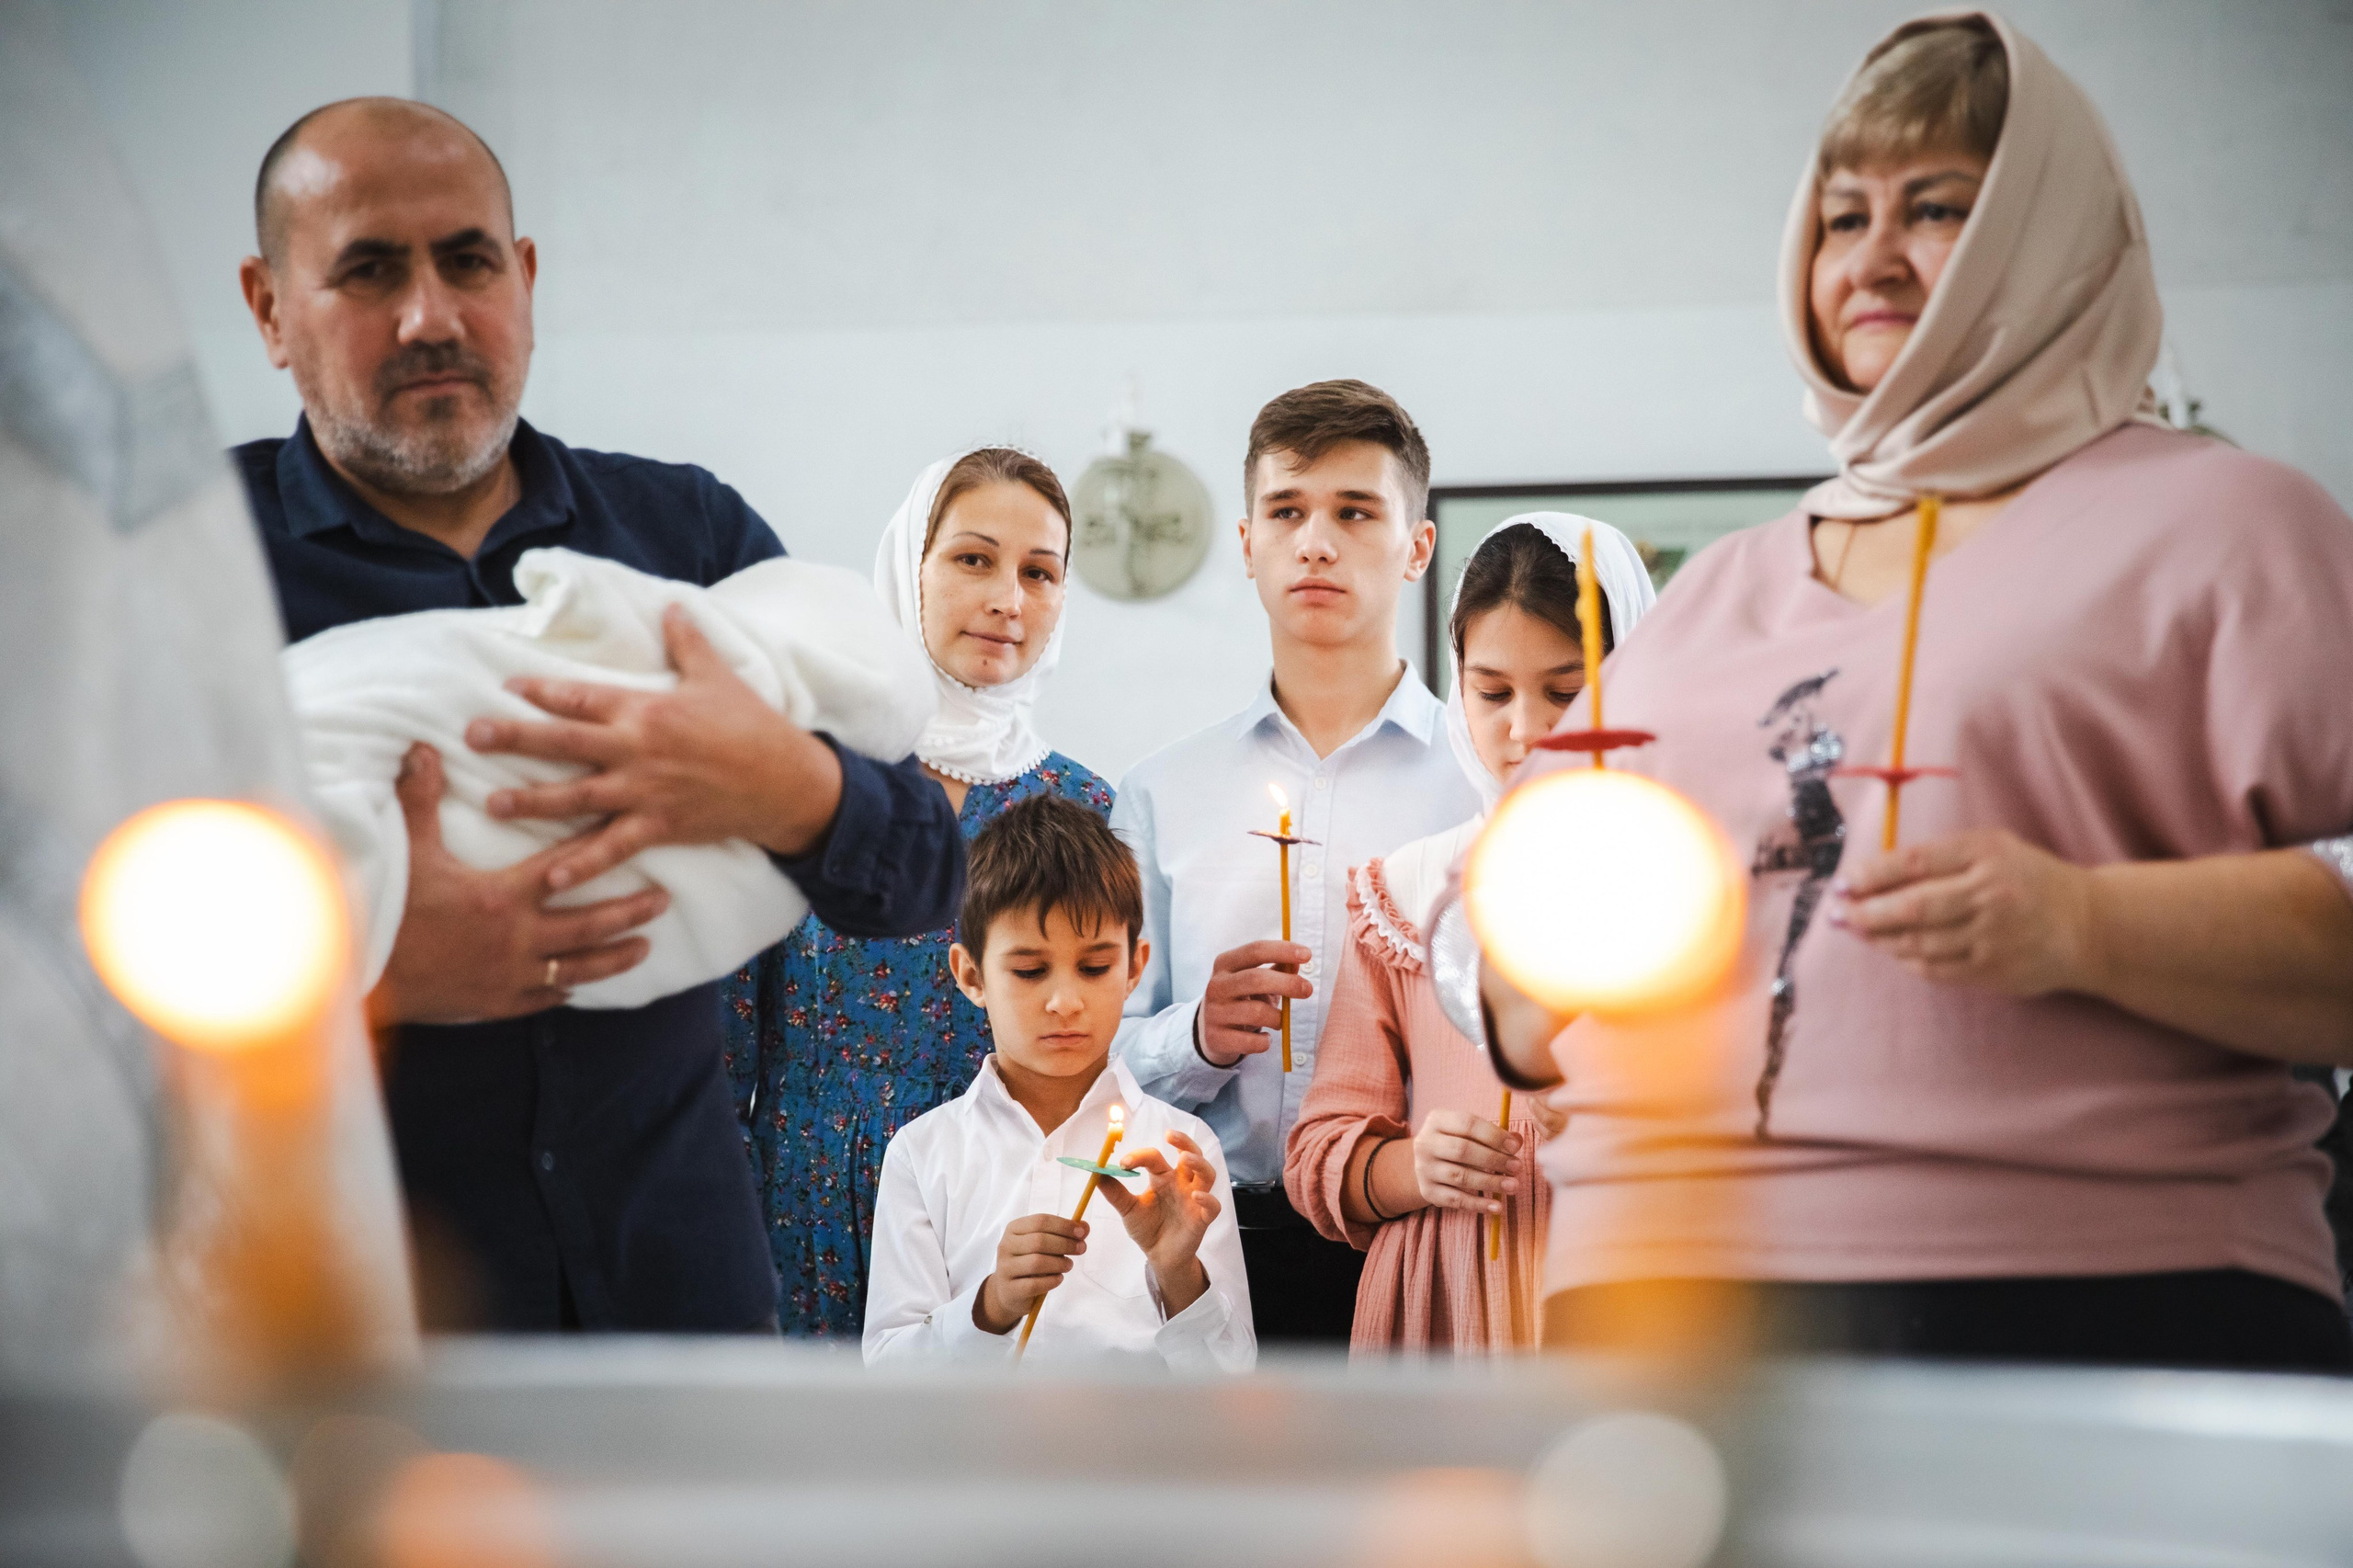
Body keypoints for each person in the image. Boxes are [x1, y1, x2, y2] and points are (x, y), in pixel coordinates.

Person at [1463, 12, 2353, 1370]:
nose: (1870, 259)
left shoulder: (2232, 528)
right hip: (1655, 1299)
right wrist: (1534, 988)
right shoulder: (1718, 587)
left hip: (2085, 1289)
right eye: (1840, 217)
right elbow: (1514, 943)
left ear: (2045, 243)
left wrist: (2087, 923)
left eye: (1937, 210)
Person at [233, 97, 964, 1333]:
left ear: (521, 278)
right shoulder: (192, 569)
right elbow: (64, 928)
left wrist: (781, 783)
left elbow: (924, 878)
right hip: (365, 1320)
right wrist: (353, 969)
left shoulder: (685, 537)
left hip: (679, 1290)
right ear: (269, 307)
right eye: (368, 270)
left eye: (467, 260)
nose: (430, 316)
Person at [1114, 381, 1483, 1343]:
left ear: (1416, 547)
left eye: (1354, 511)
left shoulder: (1483, 792)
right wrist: (1194, 1036)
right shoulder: (1160, 794)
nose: (1315, 540)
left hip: (1423, 1238)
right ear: (1246, 544)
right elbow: (1088, 1059)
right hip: (1204, 1239)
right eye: (1286, 511)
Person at [722, 449, 1113, 1336]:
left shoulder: (1086, 808)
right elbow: (719, 1058)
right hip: (808, 1211)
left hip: (1010, 1212)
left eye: (1039, 572)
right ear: (911, 567)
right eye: (973, 559)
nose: (1008, 599)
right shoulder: (807, 777)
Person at [1285, 516, 1654, 1354]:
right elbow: (1320, 1149)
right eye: (1492, 693)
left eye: (1566, 692)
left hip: (1624, 1286)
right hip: (1447, 1294)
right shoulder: (1410, 891)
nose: (1525, 730)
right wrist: (1411, 1167)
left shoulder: (1686, 886)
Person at [865, 796, 1252, 1370]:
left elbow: (1232, 1389)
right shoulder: (924, 1155)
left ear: (1134, 967)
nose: (1065, 1002)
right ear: (972, 975)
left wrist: (1178, 1274)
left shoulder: (1181, 1150)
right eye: (1029, 970)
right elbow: (890, 1375)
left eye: (1095, 967)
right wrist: (990, 1307)